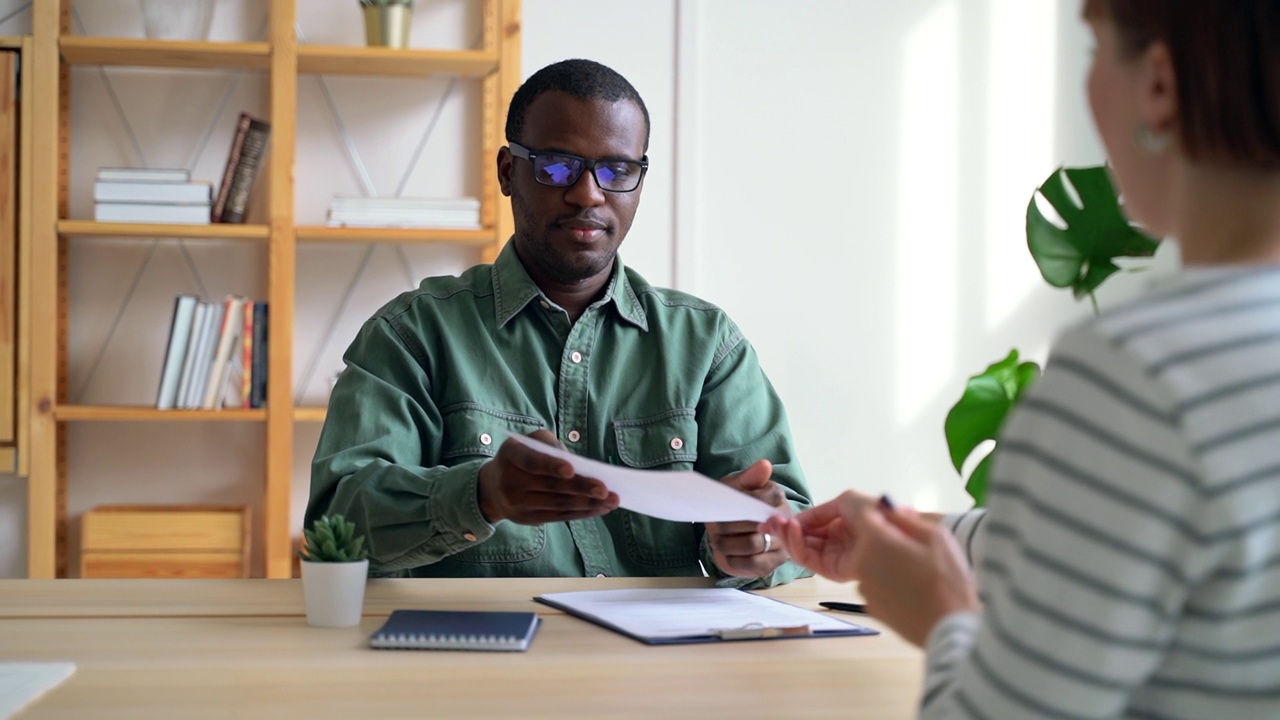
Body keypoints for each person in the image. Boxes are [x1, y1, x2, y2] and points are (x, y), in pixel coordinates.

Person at [765, 1, 1280, 717]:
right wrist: (921, 536)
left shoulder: (1137, 374)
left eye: (1091, 51)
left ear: (1159, 84)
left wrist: (946, 618)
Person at [307, 58, 812, 588]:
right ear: (508, 172)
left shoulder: (706, 344)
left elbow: (794, 531)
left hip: (664, 663)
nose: (589, 193)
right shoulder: (413, 336)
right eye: (557, 166)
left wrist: (760, 544)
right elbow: (335, 530)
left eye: (618, 170)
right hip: (479, 662)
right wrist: (480, 495)